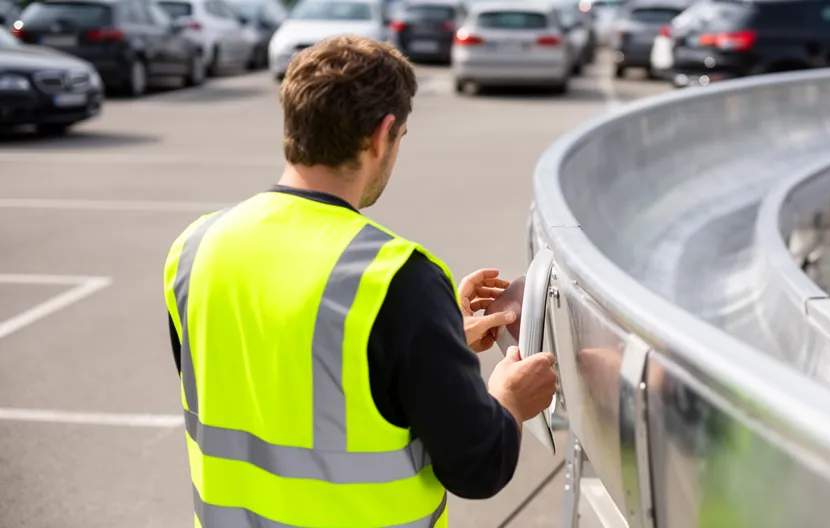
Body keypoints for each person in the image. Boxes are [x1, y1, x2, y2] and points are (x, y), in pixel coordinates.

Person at [162, 35, 558, 528]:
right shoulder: (398, 280)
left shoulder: (195, 248)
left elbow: (275, 373)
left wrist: (437, 339)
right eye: (402, 137)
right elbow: (477, 466)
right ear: (382, 134)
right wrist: (510, 399)